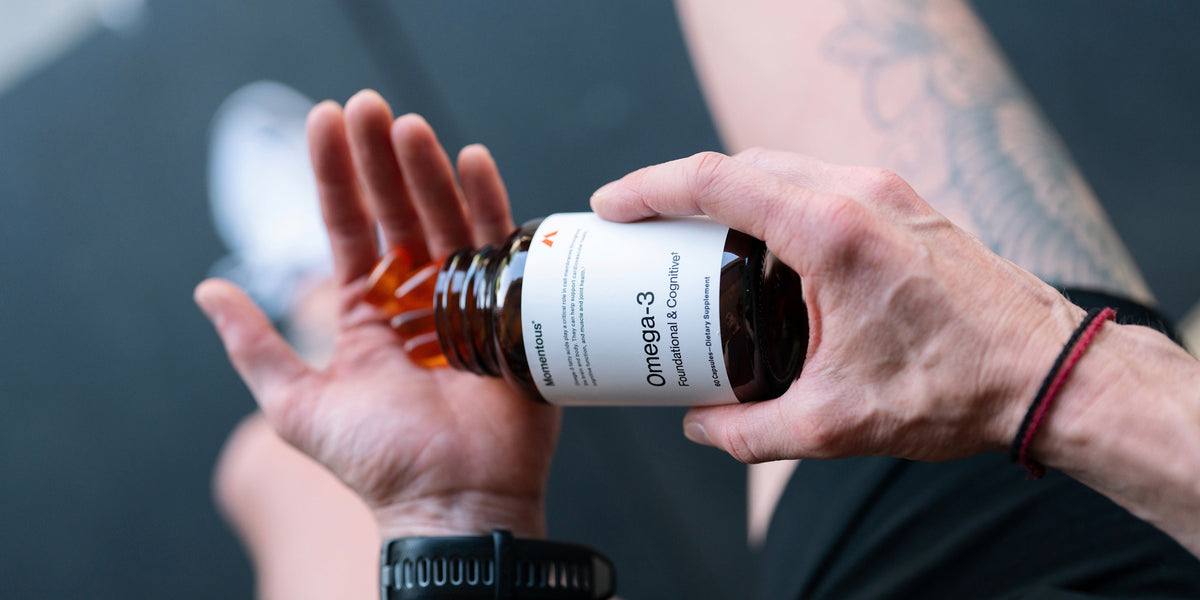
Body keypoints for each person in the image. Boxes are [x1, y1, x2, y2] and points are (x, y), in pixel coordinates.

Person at [197, 1, 1200, 598]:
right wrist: (1042, 367)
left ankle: (333, 299)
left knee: (284, 477)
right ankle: (380, 300)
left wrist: (456, 515)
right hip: (1087, 544)